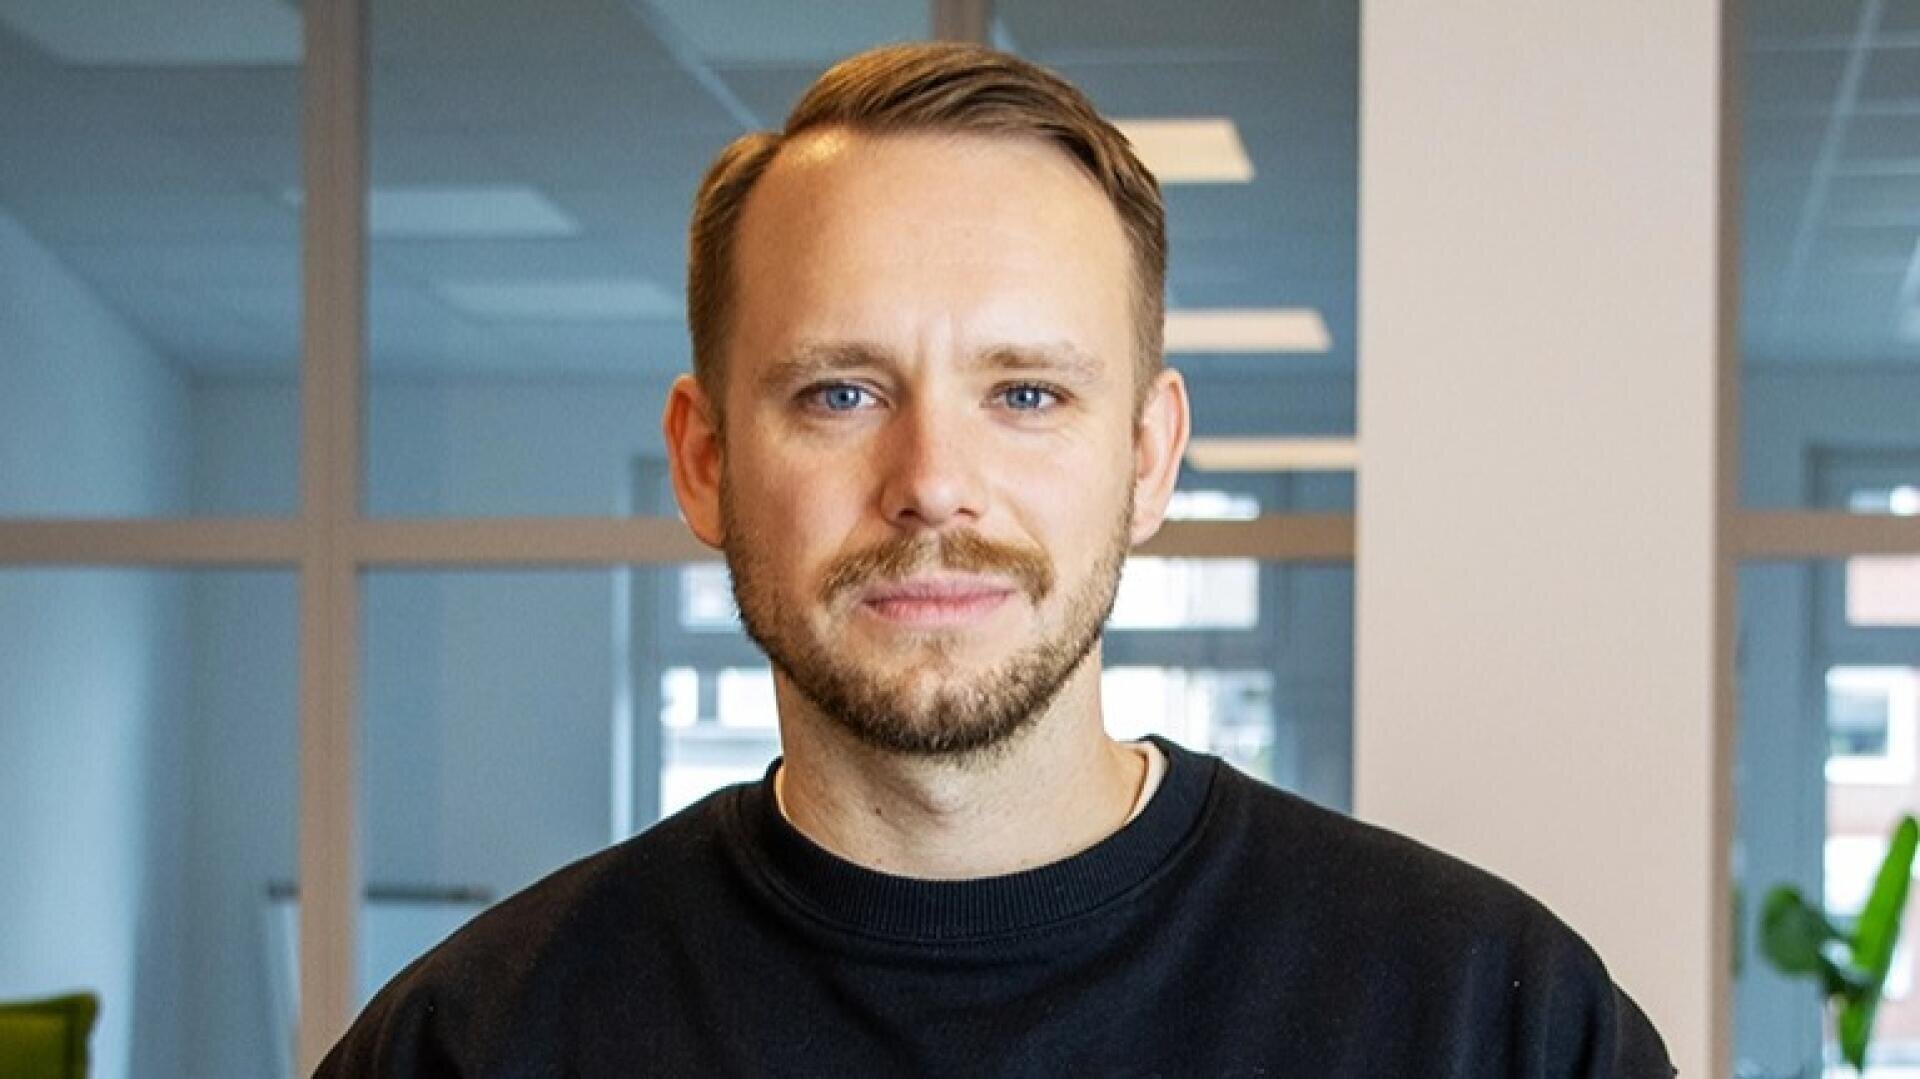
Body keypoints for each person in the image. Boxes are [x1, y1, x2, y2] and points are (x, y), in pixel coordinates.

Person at [319, 42, 1673, 1077]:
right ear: (706, 460)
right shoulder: (476, 1045)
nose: (933, 487)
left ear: (1148, 456)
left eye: (1026, 394)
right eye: (841, 392)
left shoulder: (1486, 1022)